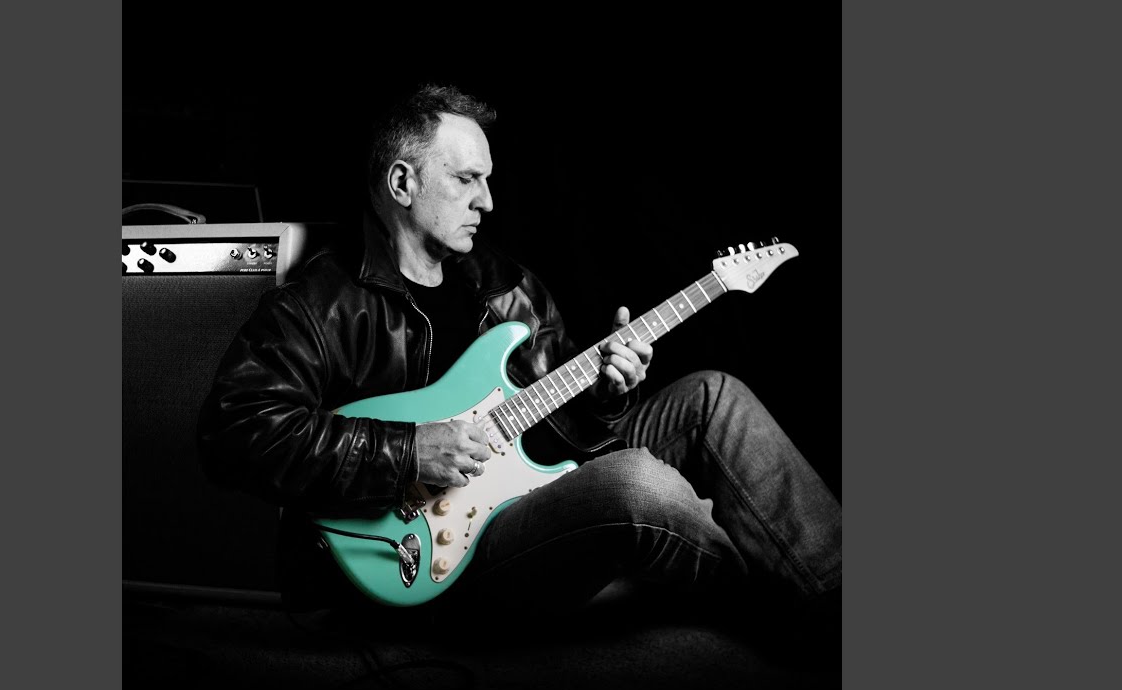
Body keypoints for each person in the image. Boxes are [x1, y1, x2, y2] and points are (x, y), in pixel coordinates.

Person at [196, 84, 841, 634]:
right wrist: (409, 450)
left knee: (713, 395)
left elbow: (566, 436)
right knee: (634, 484)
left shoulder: (506, 286)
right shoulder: (320, 303)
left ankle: (838, 595)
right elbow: (232, 431)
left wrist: (606, 398)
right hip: (439, 551)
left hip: (537, 489)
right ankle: (780, 608)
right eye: (466, 180)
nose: (487, 201)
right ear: (402, 183)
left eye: (488, 180)